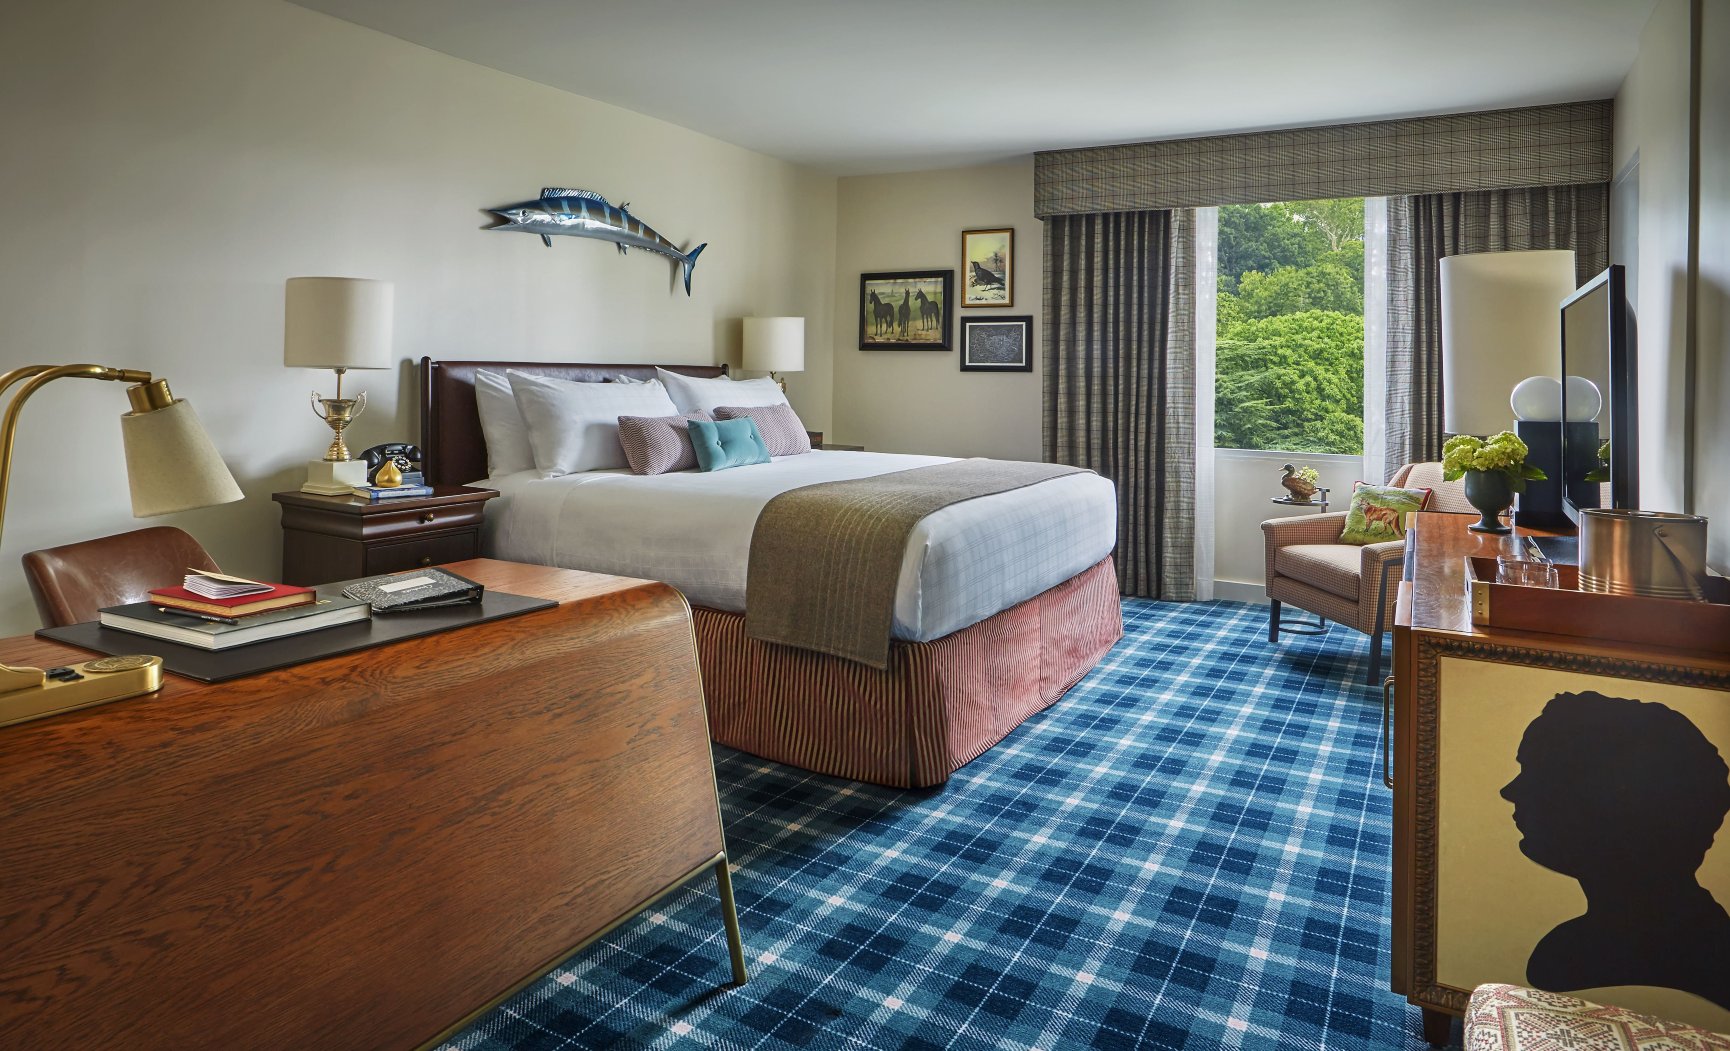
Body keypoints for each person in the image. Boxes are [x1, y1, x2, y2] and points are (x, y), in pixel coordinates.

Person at [1501, 690, 1730, 1009]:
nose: (1509, 791)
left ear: (1609, 801)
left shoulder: (1572, 955)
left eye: (1537, 774)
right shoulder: (1574, 948)